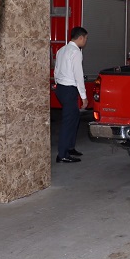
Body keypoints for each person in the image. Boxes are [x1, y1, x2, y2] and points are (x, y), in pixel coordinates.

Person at [54, 26, 88, 163]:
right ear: (80, 38)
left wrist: (58, 84)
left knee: (74, 118)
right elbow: (78, 76)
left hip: (61, 88)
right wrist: (84, 96)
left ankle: (70, 147)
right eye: (85, 38)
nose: (85, 41)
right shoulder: (76, 52)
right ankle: (62, 154)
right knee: (68, 122)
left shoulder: (61, 50)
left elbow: (56, 70)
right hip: (69, 89)